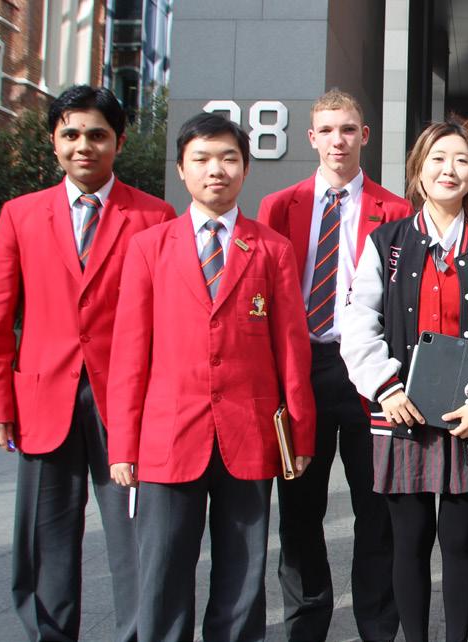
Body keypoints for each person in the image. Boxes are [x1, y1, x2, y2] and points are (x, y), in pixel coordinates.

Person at [105, 112, 316, 642]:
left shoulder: (271, 249)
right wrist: (122, 445)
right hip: (168, 436)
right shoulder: (149, 247)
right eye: (200, 159)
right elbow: (129, 354)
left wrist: (300, 434)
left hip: (248, 434)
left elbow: (291, 351)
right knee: (162, 570)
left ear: (245, 168)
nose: (215, 170)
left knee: (242, 576)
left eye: (228, 158)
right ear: (181, 169)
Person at [0, 85, 175, 642]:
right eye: (71, 134)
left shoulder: (153, 215)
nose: (83, 145)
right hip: (43, 397)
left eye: (97, 135)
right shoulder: (20, 215)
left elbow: (167, 319)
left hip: (126, 401)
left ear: (119, 142)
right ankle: (49, 633)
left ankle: (138, 632)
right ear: (54, 141)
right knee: (46, 536)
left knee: (134, 534)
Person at [339, 116, 468, 642]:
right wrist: (385, 387)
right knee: (409, 542)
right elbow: (358, 322)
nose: (449, 170)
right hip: (400, 413)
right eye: (437, 159)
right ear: (418, 170)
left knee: (461, 543)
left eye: (461, 160)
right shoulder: (386, 244)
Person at [258, 89, 409, 642]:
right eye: (327, 130)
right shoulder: (280, 206)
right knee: (300, 510)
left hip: (370, 370)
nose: (337, 140)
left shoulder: (396, 211)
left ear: (364, 136)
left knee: (378, 509)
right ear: (311, 138)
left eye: (348, 129)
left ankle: (377, 626)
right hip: (304, 370)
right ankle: (306, 627)